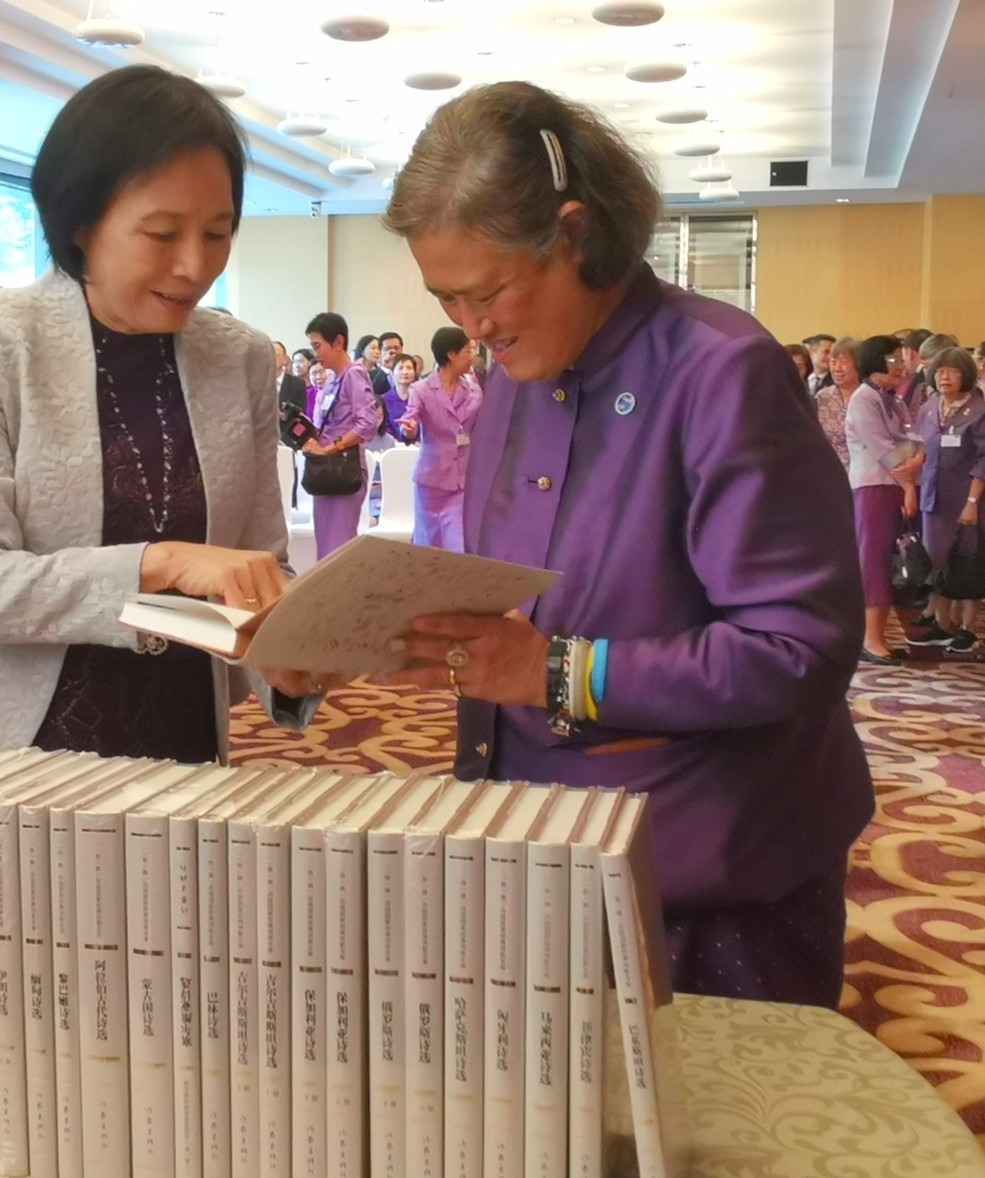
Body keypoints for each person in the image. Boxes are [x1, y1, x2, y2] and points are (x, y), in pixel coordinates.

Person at [374, 80, 872, 1008]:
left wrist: (551, 671)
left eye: (488, 291)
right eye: (446, 298)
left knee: (710, 1099)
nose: (472, 327)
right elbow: (522, 598)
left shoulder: (719, 370)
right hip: (534, 840)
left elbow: (795, 649)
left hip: (704, 862)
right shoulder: (514, 378)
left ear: (573, 234)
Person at [0, 65, 318, 770]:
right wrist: (162, 563)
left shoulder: (241, 357)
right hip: (14, 751)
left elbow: (257, 565)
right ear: (80, 223)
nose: (195, 266)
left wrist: (285, 657)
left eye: (218, 233)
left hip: (181, 735)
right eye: (162, 234)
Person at [844, 334, 922, 665]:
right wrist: (909, 484)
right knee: (874, 561)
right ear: (877, 361)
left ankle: (882, 636)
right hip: (873, 488)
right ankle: (870, 639)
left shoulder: (895, 399)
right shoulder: (864, 398)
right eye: (894, 359)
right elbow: (884, 450)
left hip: (897, 485)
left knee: (894, 561)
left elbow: (913, 440)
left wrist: (916, 460)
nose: (901, 365)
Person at [910, 347, 985, 651]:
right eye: (940, 371)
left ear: (965, 374)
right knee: (935, 561)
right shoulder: (929, 408)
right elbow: (919, 449)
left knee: (968, 562)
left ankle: (968, 628)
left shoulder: (979, 409)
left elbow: (983, 459)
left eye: (952, 371)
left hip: (967, 498)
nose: (945, 376)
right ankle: (942, 624)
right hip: (932, 498)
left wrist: (972, 502)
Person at [301, 312, 381, 559]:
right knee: (326, 545)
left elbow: (367, 424)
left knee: (338, 545)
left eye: (318, 346)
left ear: (338, 342)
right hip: (326, 470)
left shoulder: (354, 374)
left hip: (344, 468)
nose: (315, 353)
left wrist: (330, 447)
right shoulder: (333, 379)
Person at [398, 327, 482, 552]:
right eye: (467, 351)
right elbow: (410, 418)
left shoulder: (474, 391)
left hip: (463, 480)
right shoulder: (421, 389)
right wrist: (409, 429)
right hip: (431, 481)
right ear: (451, 355)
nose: (472, 356)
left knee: (458, 544)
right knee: (428, 544)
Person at [815, 337, 861, 468]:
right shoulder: (822, 397)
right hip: (827, 469)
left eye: (843, 362)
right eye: (833, 362)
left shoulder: (869, 397)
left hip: (862, 471)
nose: (837, 368)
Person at [382, 353, 419, 442]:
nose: (405, 372)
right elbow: (384, 427)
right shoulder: (384, 399)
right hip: (393, 446)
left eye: (409, 368)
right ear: (392, 373)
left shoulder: (421, 397)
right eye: (400, 368)